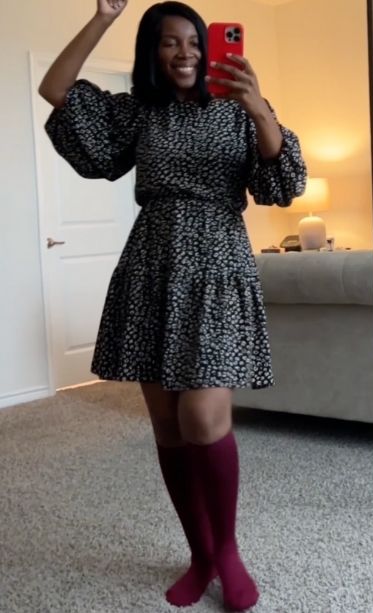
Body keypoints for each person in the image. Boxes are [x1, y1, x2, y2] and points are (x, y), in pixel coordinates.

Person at [39, 1, 306, 610]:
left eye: (193, 40)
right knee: (167, 426)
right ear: (153, 53)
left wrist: (257, 106)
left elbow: (283, 184)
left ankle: (228, 551)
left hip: (218, 268)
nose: (184, 52)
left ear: (210, 49)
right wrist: (103, 18)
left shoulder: (239, 108)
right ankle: (200, 552)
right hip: (152, 268)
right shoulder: (140, 111)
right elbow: (55, 90)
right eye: (168, 42)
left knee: (203, 419)